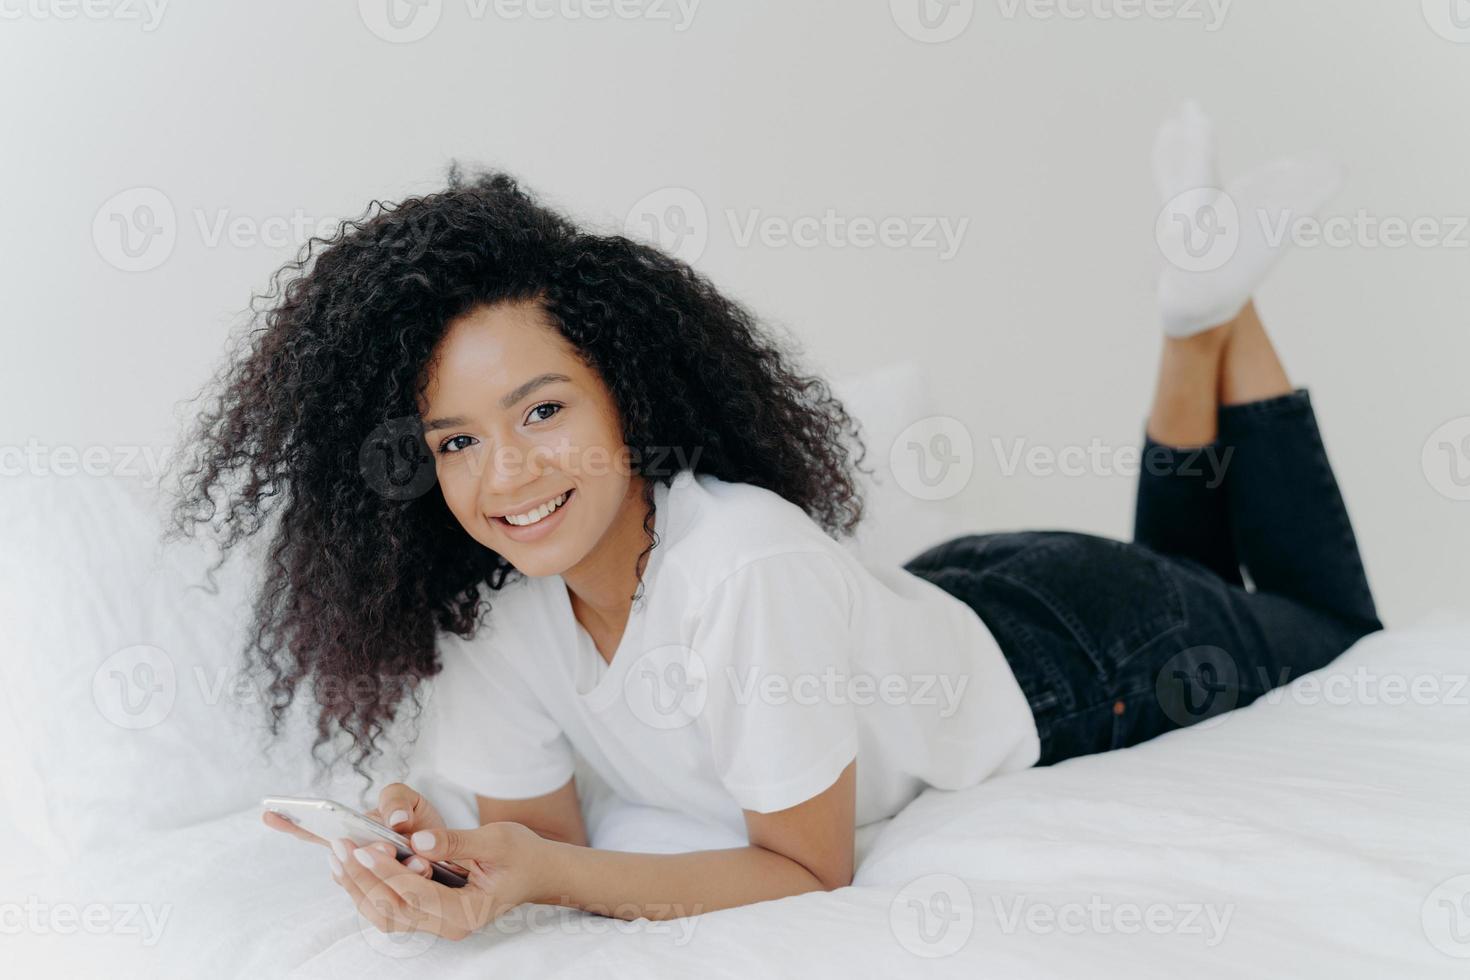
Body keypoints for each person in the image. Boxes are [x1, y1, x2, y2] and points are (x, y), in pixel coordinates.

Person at [180, 104, 1380, 939]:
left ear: (627, 393)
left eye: (540, 409)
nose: (503, 473)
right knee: (1199, 569)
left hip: (1069, 651)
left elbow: (807, 868)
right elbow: (545, 841)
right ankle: (1194, 308)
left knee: (1334, 631)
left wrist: (538, 868)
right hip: (936, 597)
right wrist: (447, 852)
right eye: (456, 439)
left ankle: (1206, 312)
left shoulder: (744, 563)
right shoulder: (493, 607)